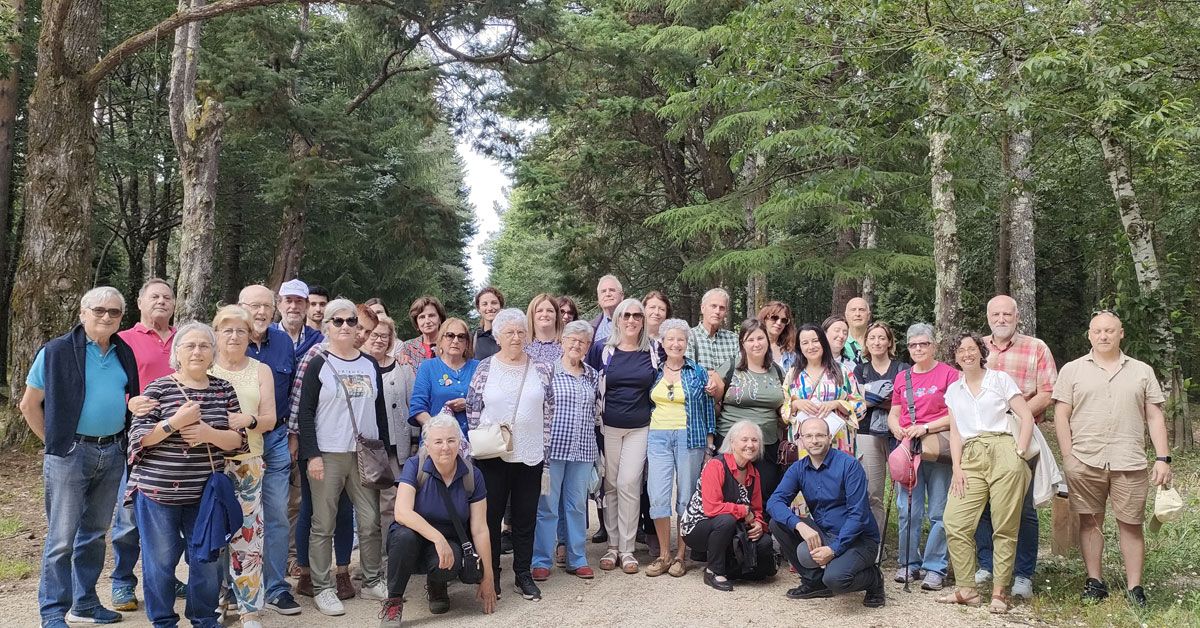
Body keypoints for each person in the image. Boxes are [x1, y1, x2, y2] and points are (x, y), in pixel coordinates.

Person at [21, 287, 140, 627]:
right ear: (83, 313)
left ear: (121, 318)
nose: (106, 316)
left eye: (114, 312)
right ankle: (53, 611)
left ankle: (85, 603)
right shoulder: (56, 351)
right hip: (70, 453)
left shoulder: (122, 352)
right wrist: (57, 443)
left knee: (94, 533)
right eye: (99, 310)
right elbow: (29, 405)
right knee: (62, 538)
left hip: (112, 450)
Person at [124, 322, 246, 627]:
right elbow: (140, 438)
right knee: (160, 562)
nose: (197, 351)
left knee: (205, 560)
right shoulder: (158, 388)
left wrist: (208, 433)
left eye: (204, 346)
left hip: (204, 495)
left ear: (213, 353)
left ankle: (204, 618)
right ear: (177, 352)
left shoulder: (223, 389)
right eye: (189, 345)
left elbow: (239, 440)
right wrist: (175, 422)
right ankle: (163, 621)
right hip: (157, 493)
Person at [1052, 311, 1171, 608]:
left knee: (1130, 524)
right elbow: (1061, 414)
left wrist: (1162, 458)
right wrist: (1068, 456)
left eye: (1109, 331)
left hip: (1129, 460)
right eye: (1097, 331)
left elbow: (1155, 415)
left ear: (1121, 333)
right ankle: (1095, 582)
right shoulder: (1072, 370)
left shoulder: (1142, 371)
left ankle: (1135, 587)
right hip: (1085, 458)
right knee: (1090, 521)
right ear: (1089, 335)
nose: (1103, 336)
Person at [296, 299, 391, 615]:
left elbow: (378, 411)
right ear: (327, 326)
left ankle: (373, 579)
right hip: (329, 452)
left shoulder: (369, 364)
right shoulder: (318, 364)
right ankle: (323, 588)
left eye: (351, 321)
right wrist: (312, 455)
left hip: (364, 453)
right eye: (338, 321)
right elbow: (305, 413)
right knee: (323, 523)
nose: (346, 326)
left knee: (370, 521)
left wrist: (384, 450)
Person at [938, 333, 1034, 614]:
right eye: (960, 350)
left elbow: (1025, 416)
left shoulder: (1000, 379)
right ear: (955, 356)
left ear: (981, 352)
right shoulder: (954, 391)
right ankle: (967, 589)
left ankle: (1000, 592)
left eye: (971, 348)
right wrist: (956, 467)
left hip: (1004, 448)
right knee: (954, 521)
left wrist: (1019, 452)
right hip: (971, 454)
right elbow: (955, 434)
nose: (966, 354)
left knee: (1005, 525)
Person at [465, 308, 555, 601]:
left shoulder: (541, 368)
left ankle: (523, 574)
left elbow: (548, 411)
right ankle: (491, 575)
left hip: (530, 454)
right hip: (493, 455)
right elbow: (472, 408)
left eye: (520, 332)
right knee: (490, 518)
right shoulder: (484, 367)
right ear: (497, 336)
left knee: (525, 517)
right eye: (509, 333)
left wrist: (545, 452)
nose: (516, 337)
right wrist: (479, 441)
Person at [974, 294, 1058, 598]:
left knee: (1022, 506)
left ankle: (1023, 575)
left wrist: (1016, 415)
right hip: (981, 435)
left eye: (1006, 314)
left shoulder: (1036, 348)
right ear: (988, 317)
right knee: (983, 502)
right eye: (995, 314)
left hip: (1019, 434)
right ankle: (987, 565)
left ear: (1017, 316)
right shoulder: (978, 347)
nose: (1001, 320)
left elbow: (1047, 392)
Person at [378, 415, 497, 626]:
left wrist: (488, 577)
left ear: (460, 443)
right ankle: (394, 601)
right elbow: (402, 513)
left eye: (451, 440)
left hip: (450, 538)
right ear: (427, 445)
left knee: (450, 563)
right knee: (403, 538)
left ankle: (437, 585)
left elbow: (480, 529)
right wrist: (438, 539)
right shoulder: (415, 466)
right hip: (413, 535)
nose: (445, 447)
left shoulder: (472, 475)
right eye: (438, 442)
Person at [112, 278, 180, 612]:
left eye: (167, 297)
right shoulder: (123, 340)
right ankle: (123, 581)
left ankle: (166, 577)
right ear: (139, 302)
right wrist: (128, 401)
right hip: (140, 440)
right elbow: (111, 383)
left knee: (174, 516)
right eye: (154, 296)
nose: (161, 301)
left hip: (182, 442)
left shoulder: (186, 339)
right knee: (128, 517)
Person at [768, 417, 885, 608]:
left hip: (859, 540)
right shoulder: (798, 468)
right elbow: (774, 502)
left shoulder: (849, 465)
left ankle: (874, 579)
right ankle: (814, 582)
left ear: (829, 437)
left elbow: (859, 516)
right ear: (801, 439)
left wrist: (833, 550)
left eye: (820, 435)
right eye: (809, 436)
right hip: (826, 532)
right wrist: (800, 526)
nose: (814, 440)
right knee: (778, 523)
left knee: (836, 580)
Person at [209, 306, 278, 628]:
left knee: (248, 537)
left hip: (247, 463)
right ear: (216, 334)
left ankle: (250, 609)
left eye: (240, 330)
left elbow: (270, 419)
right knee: (211, 534)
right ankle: (218, 602)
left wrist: (248, 420)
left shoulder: (260, 370)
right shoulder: (205, 365)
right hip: (207, 463)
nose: (234, 336)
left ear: (250, 336)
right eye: (227, 330)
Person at [237, 284, 300, 615]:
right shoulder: (229, 340)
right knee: (238, 515)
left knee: (275, 514)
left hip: (275, 439)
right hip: (238, 442)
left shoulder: (283, 343)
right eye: (253, 306)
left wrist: (292, 435)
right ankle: (235, 585)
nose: (260, 313)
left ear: (275, 309)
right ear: (240, 307)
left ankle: (275, 586)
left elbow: (289, 394)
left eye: (266, 306)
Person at [587, 298, 659, 574]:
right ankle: (612, 546)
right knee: (611, 485)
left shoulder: (653, 350)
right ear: (617, 318)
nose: (631, 320)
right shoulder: (602, 350)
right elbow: (590, 382)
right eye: (626, 315)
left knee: (630, 483)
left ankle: (628, 550)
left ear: (643, 320)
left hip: (640, 427)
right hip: (608, 427)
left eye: (637, 316)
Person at [887, 322, 958, 590]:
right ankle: (908, 563)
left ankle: (935, 566)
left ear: (933, 345)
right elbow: (895, 411)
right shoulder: (902, 377)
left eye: (923, 344)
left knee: (938, 511)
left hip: (937, 450)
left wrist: (926, 427)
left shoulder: (949, 375)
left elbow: (956, 413)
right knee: (908, 510)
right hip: (909, 450)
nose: (918, 349)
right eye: (913, 345)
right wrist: (896, 427)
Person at [645, 318, 715, 578]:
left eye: (681, 340)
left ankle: (680, 556)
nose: (676, 344)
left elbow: (708, 408)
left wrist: (710, 445)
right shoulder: (654, 371)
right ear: (663, 343)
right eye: (671, 339)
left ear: (687, 343)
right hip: (658, 436)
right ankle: (663, 554)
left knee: (686, 496)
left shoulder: (698, 372)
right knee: (658, 495)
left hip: (690, 437)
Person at [532, 321, 601, 580]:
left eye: (582, 342)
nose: (576, 345)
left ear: (587, 347)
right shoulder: (546, 371)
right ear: (562, 342)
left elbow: (597, 414)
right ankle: (541, 560)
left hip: (583, 451)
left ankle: (577, 558)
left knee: (576, 507)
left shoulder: (593, 375)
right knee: (547, 507)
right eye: (572, 339)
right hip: (552, 450)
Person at [681, 420, 776, 592]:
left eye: (754, 440)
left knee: (764, 543)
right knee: (726, 520)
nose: (750, 445)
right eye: (744, 440)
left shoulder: (753, 472)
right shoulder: (716, 465)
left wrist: (758, 524)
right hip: (698, 527)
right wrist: (743, 511)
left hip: (732, 525)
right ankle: (713, 571)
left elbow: (757, 510)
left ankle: (732, 569)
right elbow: (712, 508)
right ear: (732, 442)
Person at [715, 319, 786, 503]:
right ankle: (732, 530)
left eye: (760, 338)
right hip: (731, 440)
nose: (756, 344)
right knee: (730, 493)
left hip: (767, 443)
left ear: (767, 341)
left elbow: (784, 407)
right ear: (742, 343)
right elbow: (713, 402)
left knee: (765, 492)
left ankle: (761, 530)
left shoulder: (777, 372)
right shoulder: (730, 367)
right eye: (750, 339)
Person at [363, 315, 420, 538]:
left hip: (396, 446)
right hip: (367, 445)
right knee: (367, 505)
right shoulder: (358, 364)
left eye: (384, 336)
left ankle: (390, 554)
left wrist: (414, 440)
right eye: (374, 334)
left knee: (391, 502)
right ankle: (371, 559)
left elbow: (413, 403)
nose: (379, 340)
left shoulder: (403, 367)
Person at [853, 322, 908, 531]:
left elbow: (906, 401)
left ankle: (907, 548)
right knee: (872, 491)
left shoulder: (903, 369)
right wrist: (889, 397)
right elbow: (857, 403)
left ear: (889, 342)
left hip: (899, 433)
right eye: (872, 338)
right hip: (867, 433)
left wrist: (872, 397)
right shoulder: (861, 370)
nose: (877, 342)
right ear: (866, 342)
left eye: (881, 338)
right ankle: (875, 545)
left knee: (905, 489)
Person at [785, 324, 860, 460]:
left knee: (839, 478)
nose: (811, 346)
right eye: (805, 343)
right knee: (808, 478)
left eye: (815, 341)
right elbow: (783, 410)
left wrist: (837, 404)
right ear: (799, 347)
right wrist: (796, 404)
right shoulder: (793, 375)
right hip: (804, 444)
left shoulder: (842, 372)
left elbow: (860, 407)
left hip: (839, 441)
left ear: (823, 342)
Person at [409, 318, 480, 436]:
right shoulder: (428, 367)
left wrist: (469, 404)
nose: (456, 340)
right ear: (440, 340)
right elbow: (418, 407)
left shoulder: (478, 367)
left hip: (474, 442)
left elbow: (489, 402)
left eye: (461, 336)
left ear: (467, 343)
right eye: (450, 335)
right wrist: (438, 431)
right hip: (438, 442)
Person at [687, 288, 737, 375]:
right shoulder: (688, 338)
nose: (717, 311)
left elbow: (740, 373)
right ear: (703, 308)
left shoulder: (734, 340)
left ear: (725, 312)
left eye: (722, 308)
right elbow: (687, 373)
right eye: (713, 306)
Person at [275, 279, 323, 359]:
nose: (293, 306)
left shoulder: (317, 340)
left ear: (307, 306)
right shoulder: (266, 336)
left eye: (299, 301)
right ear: (279, 305)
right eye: (288, 301)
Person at [395, 296, 446, 370]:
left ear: (440, 319)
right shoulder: (408, 347)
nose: (427, 321)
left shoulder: (450, 344)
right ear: (417, 323)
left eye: (431, 315)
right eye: (422, 317)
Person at [758, 300, 796, 372]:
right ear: (764, 319)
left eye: (784, 320)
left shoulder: (791, 351)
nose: (779, 323)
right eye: (774, 318)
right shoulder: (753, 347)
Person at [525, 293, 564, 363]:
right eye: (539, 311)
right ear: (532, 315)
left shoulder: (566, 344)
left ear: (557, 315)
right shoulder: (522, 344)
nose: (545, 314)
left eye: (550, 311)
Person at [473, 287, 505, 360]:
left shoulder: (510, 335)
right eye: (485, 304)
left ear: (501, 306)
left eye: (494, 303)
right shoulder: (474, 339)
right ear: (479, 309)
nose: (490, 308)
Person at [590, 275, 624, 342]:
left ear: (622, 295)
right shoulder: (590, 327)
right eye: (603, 291)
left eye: (612, 290)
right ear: (598, 298)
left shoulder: (634, 322)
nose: (607, 294)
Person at [843, 297, 870, 363]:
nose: (857, 314)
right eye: (853, 310)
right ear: (846, 315)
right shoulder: (840, 341)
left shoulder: (876, 341)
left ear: (868, 315)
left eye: (861, 310)